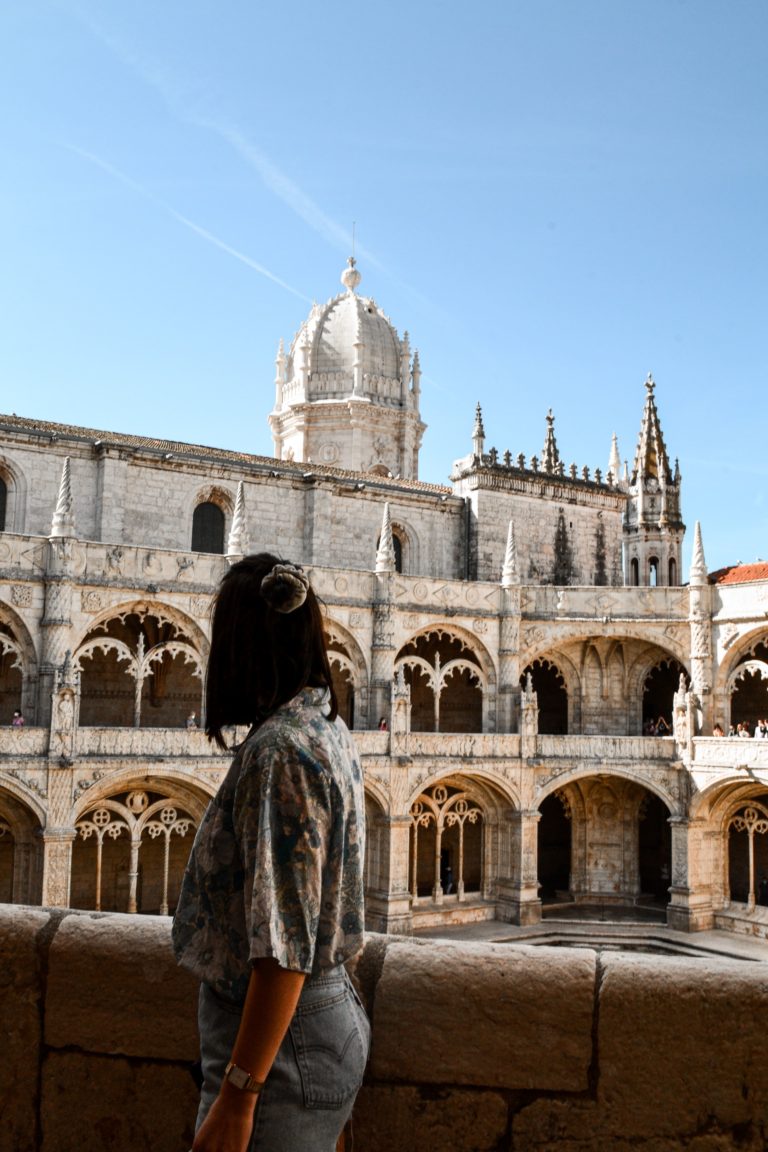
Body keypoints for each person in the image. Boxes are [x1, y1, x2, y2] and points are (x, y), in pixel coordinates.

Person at [172, 555, 369, 1152]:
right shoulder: (323, 724)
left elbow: (285, 946)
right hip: (310, 1034)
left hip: (280, 1052)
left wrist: (238, 1097)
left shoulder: (281, 751)